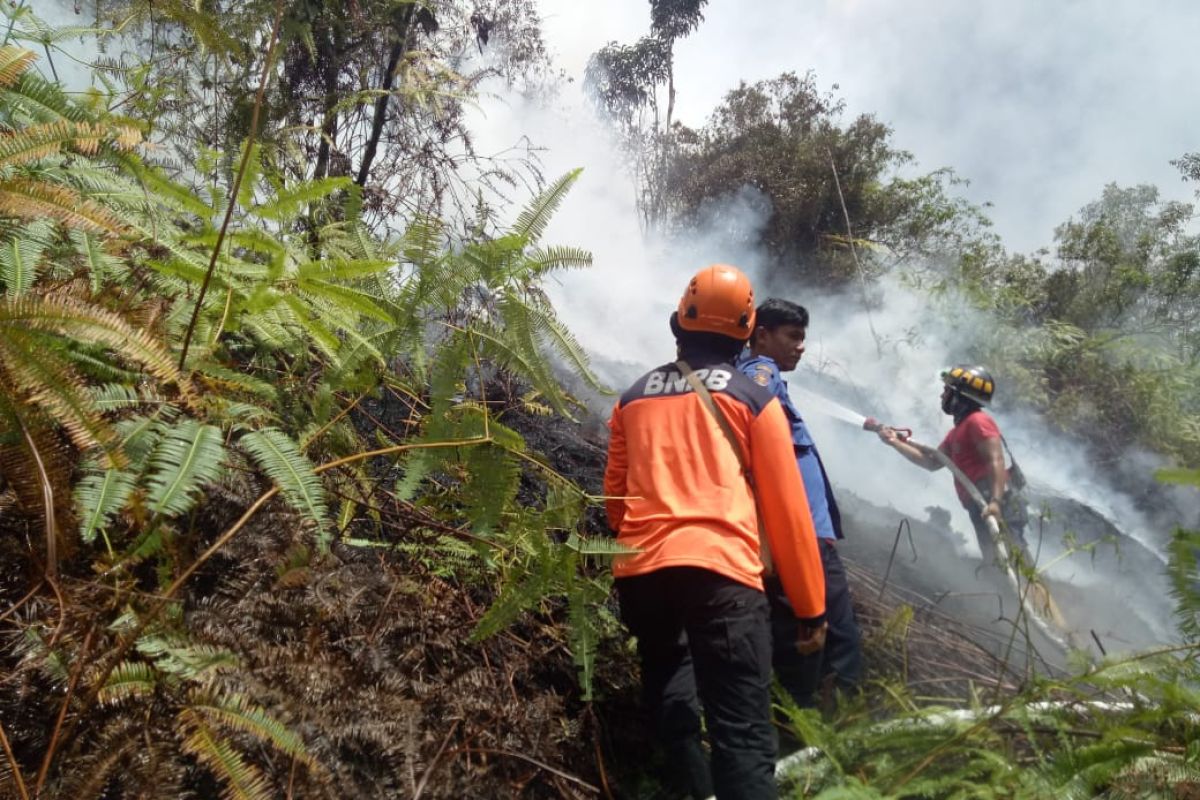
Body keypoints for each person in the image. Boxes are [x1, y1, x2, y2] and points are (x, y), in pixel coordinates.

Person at [604, 264, 828, 800]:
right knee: (744, 733)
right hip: (723, 577)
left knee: (671, 697)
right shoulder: (754, 397)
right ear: (749, 329)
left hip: (643, 573)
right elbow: (788, 512)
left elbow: (615, 497)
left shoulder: (632, 398)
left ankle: (690, 787)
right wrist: (810, 607)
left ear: (679, 322)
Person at [737, 299, 863, 708]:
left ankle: (811, 724)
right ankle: (833, 730)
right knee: (839, 639)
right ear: (761, 335)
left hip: (805, 533)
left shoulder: (770, 379)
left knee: (822, 639)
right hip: (803, 535)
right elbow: (747, 413)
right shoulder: (760, 373)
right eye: (792, 336)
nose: (801, 347)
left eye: (803, 338)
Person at [875, 365, 1029, 563]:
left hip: (1000, 503)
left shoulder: (978, 421)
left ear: (960, 397)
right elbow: (931, 462)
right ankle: (1010, 594)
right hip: (981, 505)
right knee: (996, 564)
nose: (942, 396)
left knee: (1018, 563)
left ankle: (1033, 594)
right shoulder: (956, 433)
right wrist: (894, 442)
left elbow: (996, 459)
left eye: (947, 391)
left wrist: (996, 502)